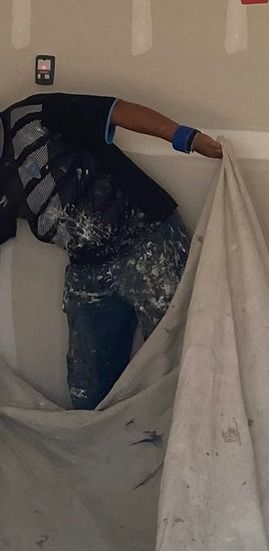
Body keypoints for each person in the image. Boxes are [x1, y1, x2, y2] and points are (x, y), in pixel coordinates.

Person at [0, 93, 223, 410]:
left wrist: (188, 138)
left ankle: (195, 451)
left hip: (149, 241)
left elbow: (117, 111)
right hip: (88, 268)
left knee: (183, 361)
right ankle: (110, 455)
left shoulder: (30, 117)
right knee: (88, 388)